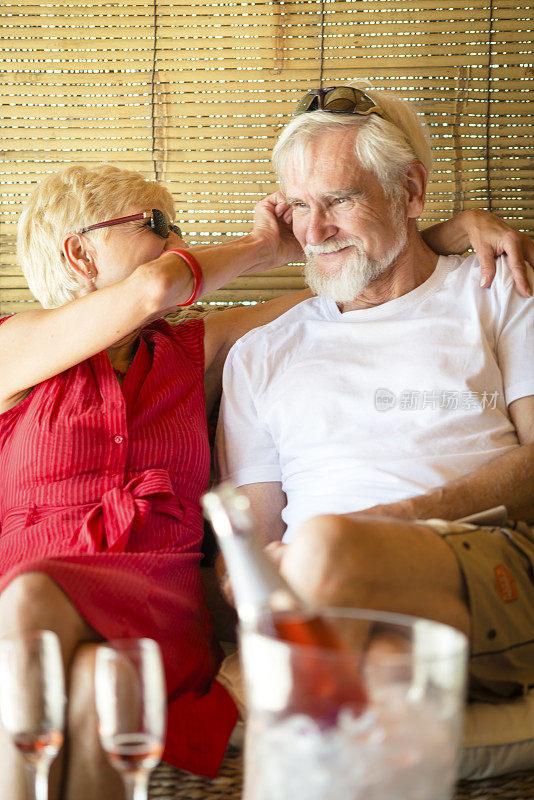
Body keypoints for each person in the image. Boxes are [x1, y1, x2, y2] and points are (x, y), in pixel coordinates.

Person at [0, 160, 528, 799]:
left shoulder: (192, 351)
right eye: (155, 225)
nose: (176, 242)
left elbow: (352, 282)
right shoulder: (14, 352)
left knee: (63, 643)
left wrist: (445, 231)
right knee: (86, 682)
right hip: (39, 589)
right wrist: (259, 247)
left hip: (152, 599)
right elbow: (153, 289)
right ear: (79, 252)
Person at [217, 87, 534, 703]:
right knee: (386, 665)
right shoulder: (260, 353)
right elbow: (246, 552)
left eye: (339, 199)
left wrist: (387, 522)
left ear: (410, 191)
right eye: (299, 207)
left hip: (481, 561)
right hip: (323, 595)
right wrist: (243, 583)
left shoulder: (495, 289)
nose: (314, 230)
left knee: (328, 544)